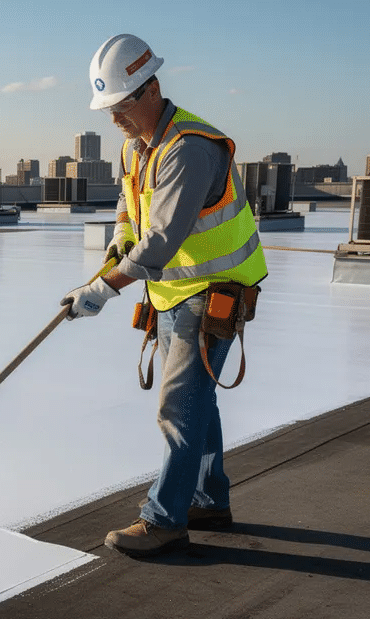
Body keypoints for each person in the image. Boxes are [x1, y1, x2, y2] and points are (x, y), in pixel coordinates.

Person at [61, 33, 268, 558]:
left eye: (120, 105)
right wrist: (115, 245)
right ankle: (207, 499)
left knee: (179, 406)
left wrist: (102, 289)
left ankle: (165, 519)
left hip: (214, 290)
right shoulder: (137, 147)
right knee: (198, 401)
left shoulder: (190, 149)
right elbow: (132, 212)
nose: (114, 119)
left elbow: (161, 241)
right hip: (175, 290)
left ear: (150, 89)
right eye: (107, 108)